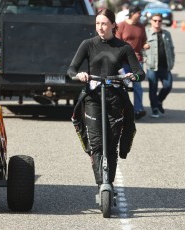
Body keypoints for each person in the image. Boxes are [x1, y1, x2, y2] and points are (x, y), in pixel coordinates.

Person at [68, 9, 145, 191]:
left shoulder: (123, 47)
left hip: (115, 97)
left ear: (112, 25)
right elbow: (71, 69)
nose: (100, 28)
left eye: (104, 24)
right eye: (97, 24)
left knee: (111, 143)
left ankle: (109, 183)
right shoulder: (88, 45)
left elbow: (140, 73)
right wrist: (79, 74)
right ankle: (101, 184)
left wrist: (132, 76)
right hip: (93, 98)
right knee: (96, 144)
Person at [116, 5, 150, 120]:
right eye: (138, 13)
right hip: (124, 62)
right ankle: (120, 109)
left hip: (137, 62)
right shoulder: (121, 26)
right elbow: (117, 44)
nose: (140, 16)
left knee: (138, 86)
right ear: (132, 13)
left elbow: (143, 40)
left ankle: (138, 110)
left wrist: (145, 45)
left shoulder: (141, 26)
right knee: (122, 85)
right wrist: (128, 53)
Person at [144, 13, 175, 118]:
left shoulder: (166, 34)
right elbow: (140, 48)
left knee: (168, 86)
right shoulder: (146, 33)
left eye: (159, 21)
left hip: (165, 66)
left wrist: (172, 61)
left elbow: (171, 48)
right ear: (151, 21)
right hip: (152, 66)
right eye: (155, 20)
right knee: (153, 88)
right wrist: (144, 56)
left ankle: (158, 101)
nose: (157, 23)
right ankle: (155, 109)